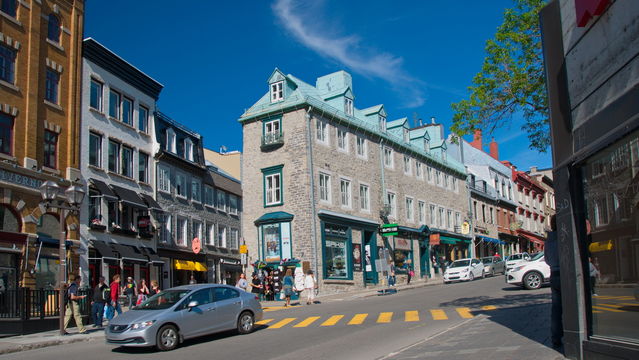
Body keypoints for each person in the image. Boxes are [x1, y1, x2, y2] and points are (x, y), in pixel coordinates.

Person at [544, 215, 563, 350]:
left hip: (553, 274)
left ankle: (556, 337)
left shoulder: (548, 241)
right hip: (564, 273)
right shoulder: (563, 237)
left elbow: (546, 259)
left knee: (556, 309)